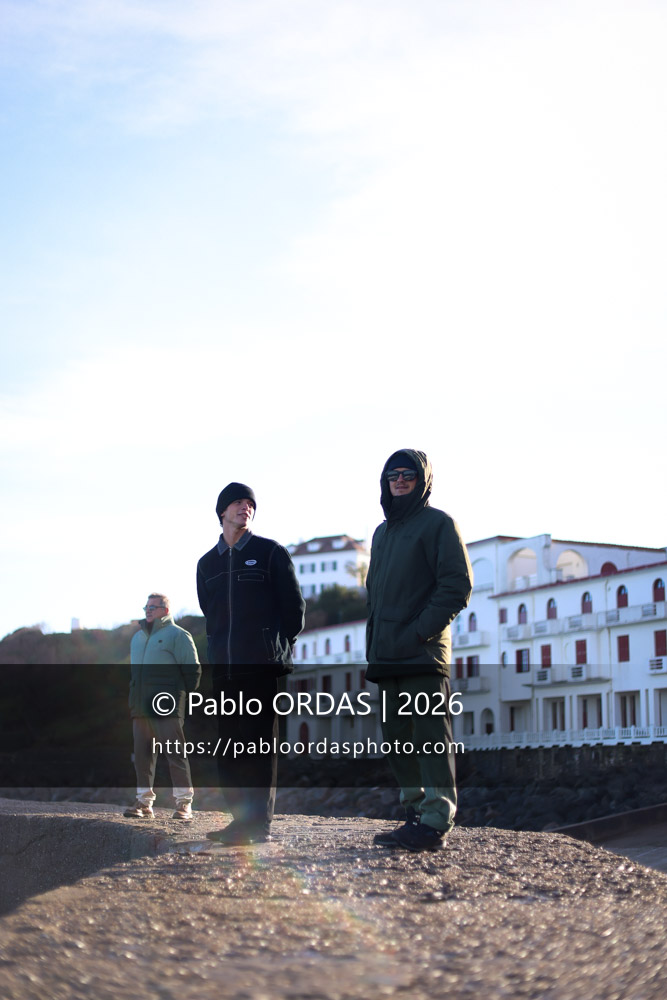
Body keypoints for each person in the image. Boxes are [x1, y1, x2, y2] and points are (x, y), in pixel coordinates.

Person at [366, 449, 473, 852]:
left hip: (422, 654)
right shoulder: (382, 532)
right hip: (386, 654)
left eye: (407, 473)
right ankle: (414, 812)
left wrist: (418, 634)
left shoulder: (439, 524)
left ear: (422, 479)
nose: (399, 479)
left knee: (430, 737)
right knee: (396, 738)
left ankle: (435, 821)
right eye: (392, 473)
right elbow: (374, 596)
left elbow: (456, 587)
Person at [196, 482, 305, 845]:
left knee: (259, 748)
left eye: (250, 504)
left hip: (261, 667)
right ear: (221, 512)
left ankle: (258, 825)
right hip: (224, 669)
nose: (245, 508)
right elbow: (208, 614)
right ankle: (238, 821)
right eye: (237, 503)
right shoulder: (206, 564)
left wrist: (273, 649)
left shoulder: (270, 552)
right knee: (229, 748)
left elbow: (294, 611)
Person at [124, 593, 201, 820]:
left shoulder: (178, 635)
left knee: (175, 753)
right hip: (140, 706)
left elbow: (193, 671)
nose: (148, 611)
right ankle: (143, 804)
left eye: (154, 607)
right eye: (146, 607)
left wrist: (177, 698)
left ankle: (184, 804)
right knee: (142, 755)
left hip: (167, 705)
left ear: (165, 611)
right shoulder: (137, 638)